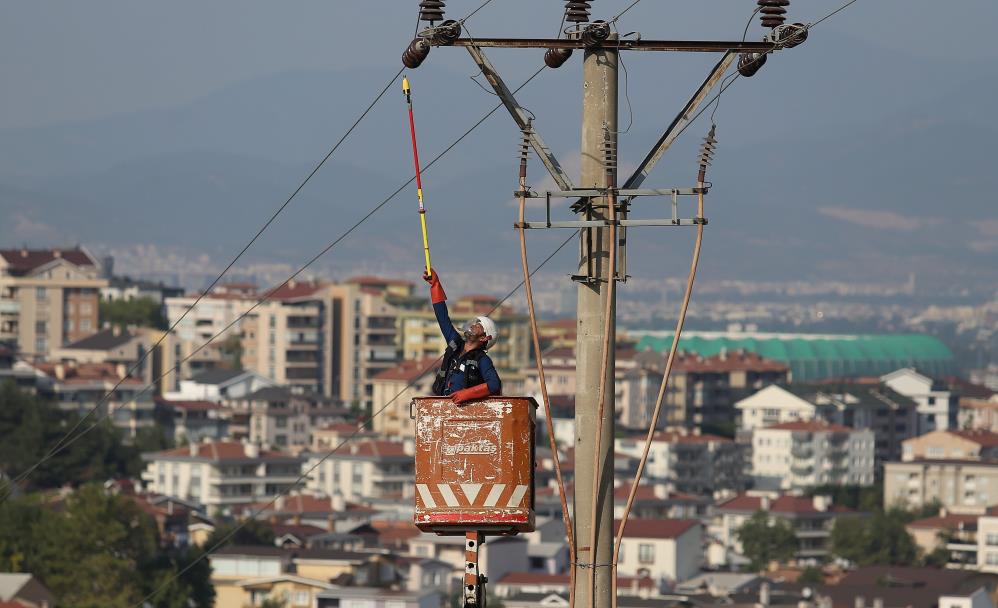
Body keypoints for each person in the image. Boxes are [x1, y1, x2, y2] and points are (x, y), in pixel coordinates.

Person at [423, 268, 502, 403]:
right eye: (474, 323)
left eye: (478, 326)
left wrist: (467, 394)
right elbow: (442, 317)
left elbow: (495, 384)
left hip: (465, 410)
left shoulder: (482, 360)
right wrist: (435, 285)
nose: (472, 326)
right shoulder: (455, 344)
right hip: (442, 405)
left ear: (484, 337)